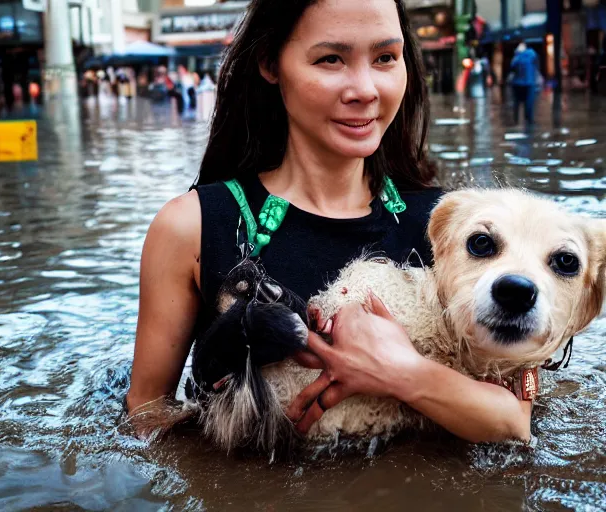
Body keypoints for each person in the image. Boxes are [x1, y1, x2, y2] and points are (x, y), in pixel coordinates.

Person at [127, 0, 533, 444]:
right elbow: (146, 418)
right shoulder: (191, 227)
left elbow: (515, 419)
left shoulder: (452, 227)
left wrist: (402, 373)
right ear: (269, 63)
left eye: (385, 58)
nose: (365, 89)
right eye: (330, 59)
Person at [510, 42, 540, 125]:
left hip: (517, 83)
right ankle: (529, 120)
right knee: (529, 102)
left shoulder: (517, 56)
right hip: (529, 82)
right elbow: (536, 65)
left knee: (516, 103)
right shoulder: (532, 54)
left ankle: (516, 120)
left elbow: (512, 66)